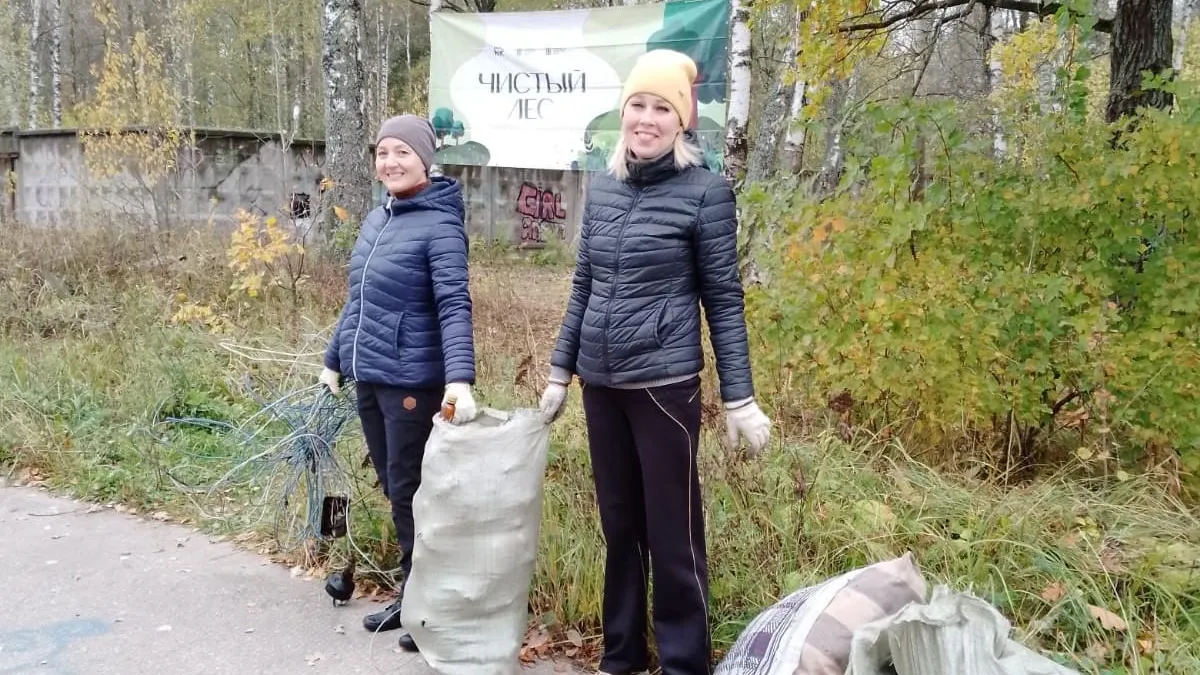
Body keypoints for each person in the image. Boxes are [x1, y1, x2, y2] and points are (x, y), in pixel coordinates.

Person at [537, 49, 772, 675]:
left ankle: (683, 663)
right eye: (637, 105)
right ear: (624, 114)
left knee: (673, 536)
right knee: (619, 528)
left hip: (665, 386)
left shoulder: (706, 192)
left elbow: (723, 299)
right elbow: (583, 284)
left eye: (661, 108)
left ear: (682, 120)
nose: (646, 119)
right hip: (601, 384)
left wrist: (739, 398)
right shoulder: (605, 185)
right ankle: (621, 656)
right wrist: (561, 372)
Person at [318, 113, 478, 653]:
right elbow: (357, 301)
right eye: (383, 153)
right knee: (395, 487)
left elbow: (454, 304)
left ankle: (426, 609)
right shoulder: (376, 219)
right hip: (371, 376)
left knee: (412, 491)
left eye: (401, 153)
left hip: (413, 380)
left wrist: (459, 378)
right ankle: (412, 596)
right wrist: (333, 359)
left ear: (425, 160)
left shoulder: (440, 224)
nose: (390, 162)